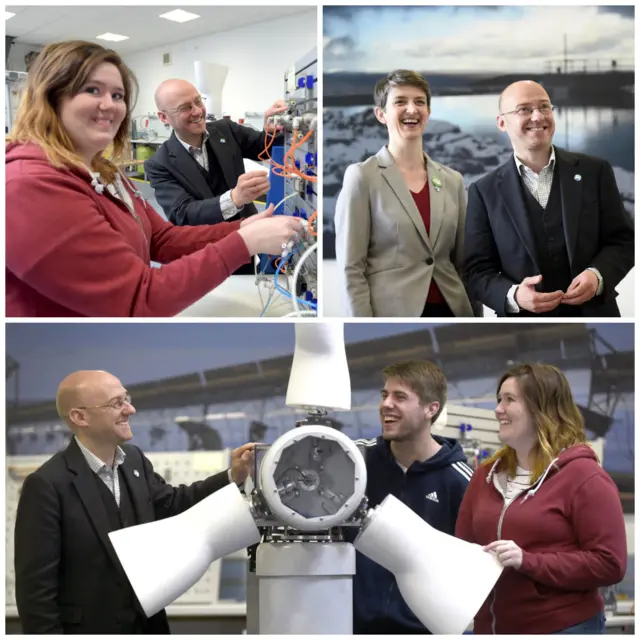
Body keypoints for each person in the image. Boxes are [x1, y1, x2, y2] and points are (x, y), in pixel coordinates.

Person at [5, 40, 301, 317]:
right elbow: (138, 298)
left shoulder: (105, 171)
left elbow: (160, 238)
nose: (109, 105)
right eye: (92, 90)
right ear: (49, 98)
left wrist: (243, 226)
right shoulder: (28, 186)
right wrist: (242, 240)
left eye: (117, 95)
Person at [14, 370, 257, 634]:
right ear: (79, 417)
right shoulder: (47, 485)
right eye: (116, 403)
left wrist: (234, 475)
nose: (130, 409)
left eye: (126, 398)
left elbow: (173, 503)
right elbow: (35, 595)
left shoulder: (134, 461)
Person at [455, 363, 627, 634]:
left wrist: (528, 561)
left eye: (509, 400)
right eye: (499, 399)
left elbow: (610, 564)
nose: (498, 409)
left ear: (541, 409)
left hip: (562, 628)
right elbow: (462, 549)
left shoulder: (585, 477)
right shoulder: (485, 476)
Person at [463, 80, 634, 317]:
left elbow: (624, 241)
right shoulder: (483, 192)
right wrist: (514, 296)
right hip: (524, 326)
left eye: (544, 106)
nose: (538, 116)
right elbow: (476, 271)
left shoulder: (595, 172)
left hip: (596, 314)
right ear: (502, 122)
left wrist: (598, 276)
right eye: (524, 109)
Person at [334, 69, 476, 317]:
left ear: (428, 113)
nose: (412, 109)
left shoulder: (453, 180)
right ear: (381, 114)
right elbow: (351, 268)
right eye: (400, 101)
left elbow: (464, 263)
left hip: (453, 310)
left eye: (419, 102)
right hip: (391, 313)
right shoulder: (362, 177)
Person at [350, 360, 473, 633]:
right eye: (385, 395)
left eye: (400, 397)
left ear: (431, 409)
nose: (386, 404)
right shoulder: (356, 462)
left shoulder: (460, 481)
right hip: (354, 627)